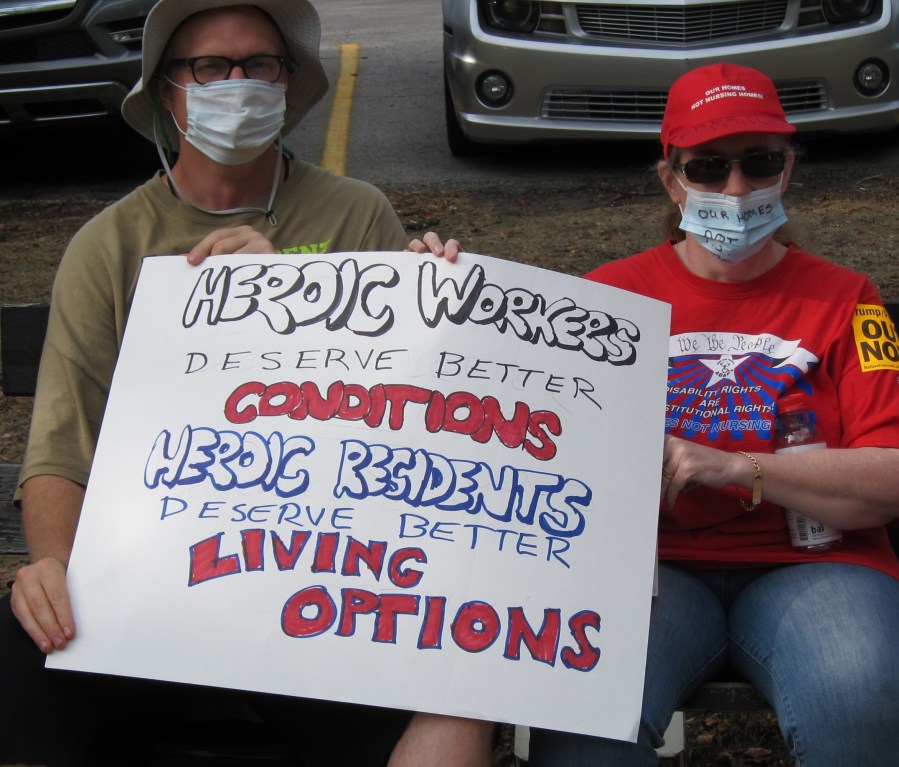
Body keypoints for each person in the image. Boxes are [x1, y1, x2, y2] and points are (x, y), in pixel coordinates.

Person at [0, 1, 494, 765]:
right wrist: (54, 565)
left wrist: (436, 316)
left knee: (452, 706)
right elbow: (63, 446)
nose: (237, 83)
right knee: (19, 686)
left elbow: (402, 433)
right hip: (149, 584)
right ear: (167, 91)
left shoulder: (355, 214)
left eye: (259, 64)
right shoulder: (111, 244)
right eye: (209, 67)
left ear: (287, 82)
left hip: (317, 588)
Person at [526, 62, 899, 767]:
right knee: (584, 717)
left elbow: (890, 476)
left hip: (819, 563)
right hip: (652, 571)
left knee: (862, 695)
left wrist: (737, 466)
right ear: (670, 179)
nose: (736, 188)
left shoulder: (850, 299)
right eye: (708, 166)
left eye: (758, 162)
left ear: (786, 170)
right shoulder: (608, 296)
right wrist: (439, 293)